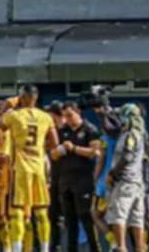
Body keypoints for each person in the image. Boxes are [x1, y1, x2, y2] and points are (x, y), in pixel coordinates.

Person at [0, 85, 58, 252]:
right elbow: (54, 142)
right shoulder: (46, 117)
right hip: (39, 167)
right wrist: (39, 147)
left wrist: (7, 106)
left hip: (21, 168)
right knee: (41, 210)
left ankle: (17, 249)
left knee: (17, 209)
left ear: (23, 97)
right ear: (36, 98)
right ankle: (45, 248)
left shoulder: (15, 116)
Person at [51, 103, 101, 252]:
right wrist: (58, 151)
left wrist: (74, 148)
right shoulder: (62, 131)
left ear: (78, 112)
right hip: (65, 181)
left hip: (83, 180)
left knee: (86, 218)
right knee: (69, 221)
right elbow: (53, 154)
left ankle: (95, 248)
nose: (67, 119)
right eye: (65, 116)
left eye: (70, 115)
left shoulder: (89, 129)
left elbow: (95, 152)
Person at [104, 105, 148, 252]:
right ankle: (140, 248)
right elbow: (110, 128)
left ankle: (121, 247)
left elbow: (127, 156)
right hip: (137, 183)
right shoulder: (140, 134)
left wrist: (112, 173)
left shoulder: (131, 135)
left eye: (122, 116)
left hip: (125, 182)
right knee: (136, 219)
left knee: (118, 215)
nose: (120, 120)